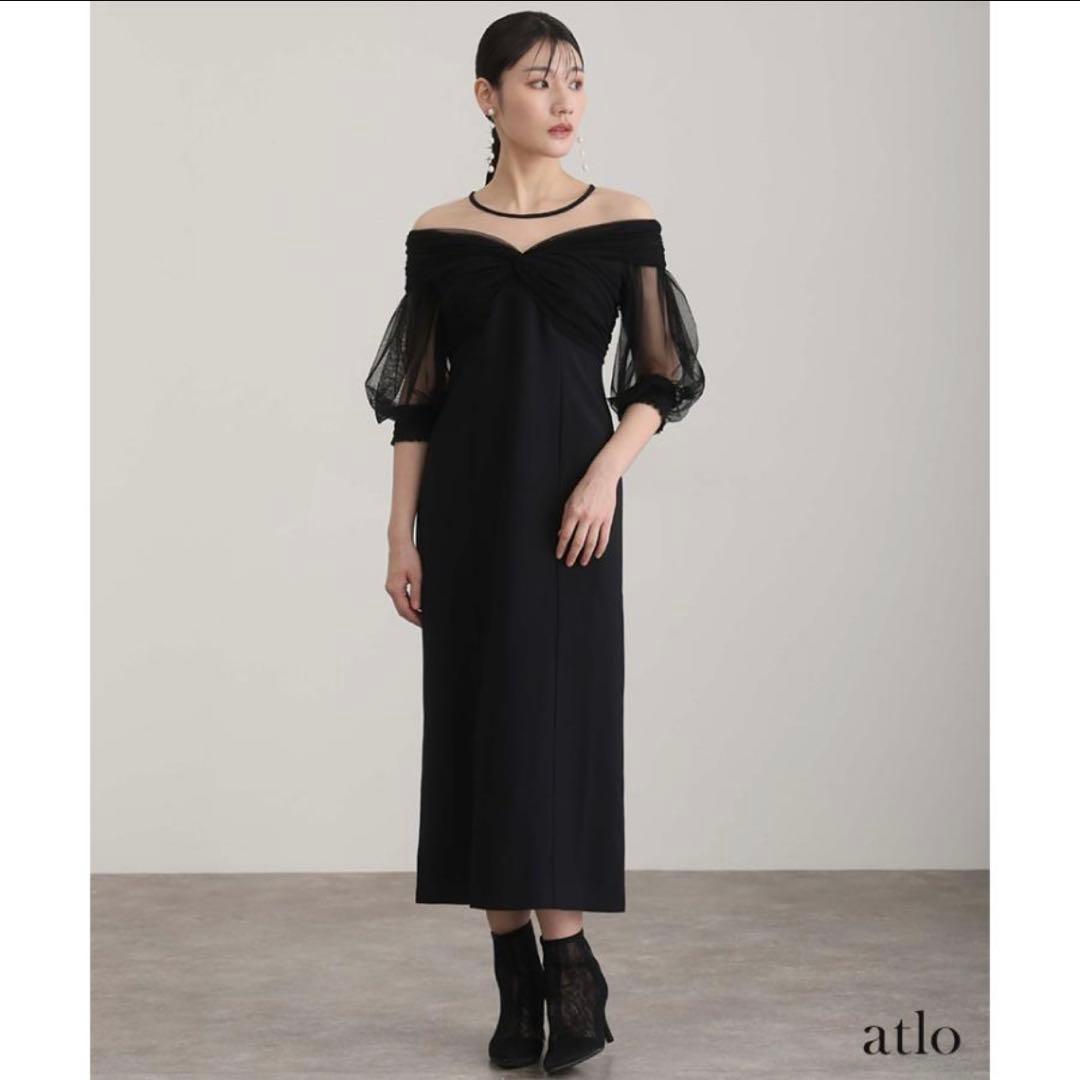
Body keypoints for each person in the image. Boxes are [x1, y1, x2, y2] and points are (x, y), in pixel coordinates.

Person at [365, 11, 705, 1074]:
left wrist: (605, 474)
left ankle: (572, 968)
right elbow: (417, 400)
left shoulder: (622, 219)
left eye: (576, 80)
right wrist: (400, 535)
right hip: (466, 509)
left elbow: (661, 377)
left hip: (571, 510)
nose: (564, 101)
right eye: (538, 80)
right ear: (487, 97)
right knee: (478, 723)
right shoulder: (438, 233)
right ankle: (515, 980)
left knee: (556, 726)